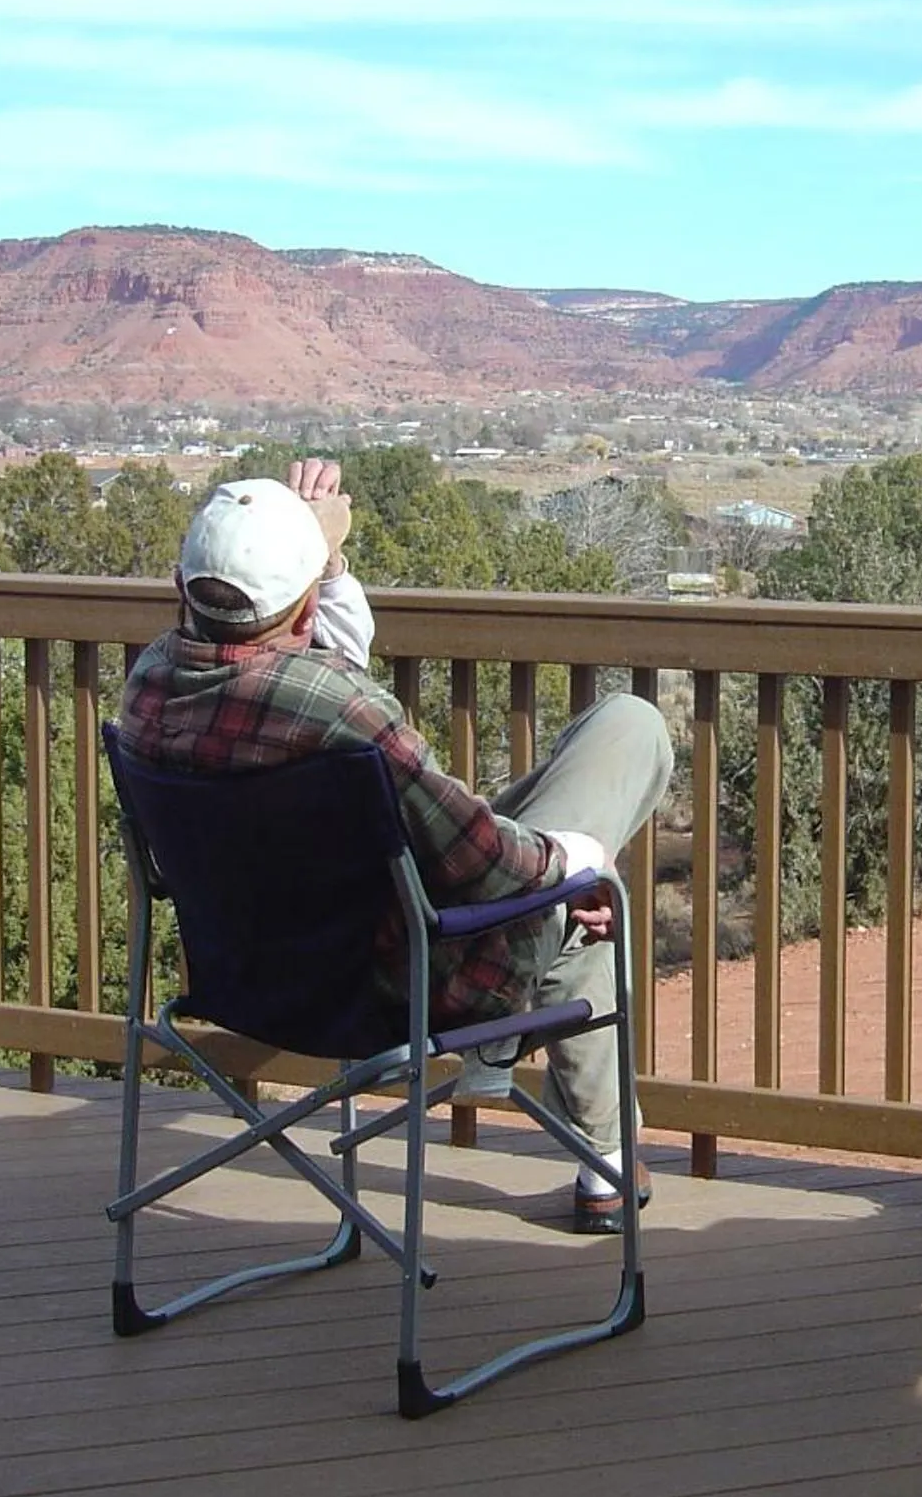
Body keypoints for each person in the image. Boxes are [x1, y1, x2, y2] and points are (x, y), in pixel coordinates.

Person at [116, 460, 675, 1234]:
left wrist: (323, 563)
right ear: (308, 608)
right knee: (625, 740)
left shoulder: (145, 690)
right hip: (400, 982)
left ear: (182, 588)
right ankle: (594, 1151)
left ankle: (604, 1162)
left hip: (247, 981)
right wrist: (577, 866)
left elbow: (295, 671)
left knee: (559, 896)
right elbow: (486, 863)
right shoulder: (345, 712)